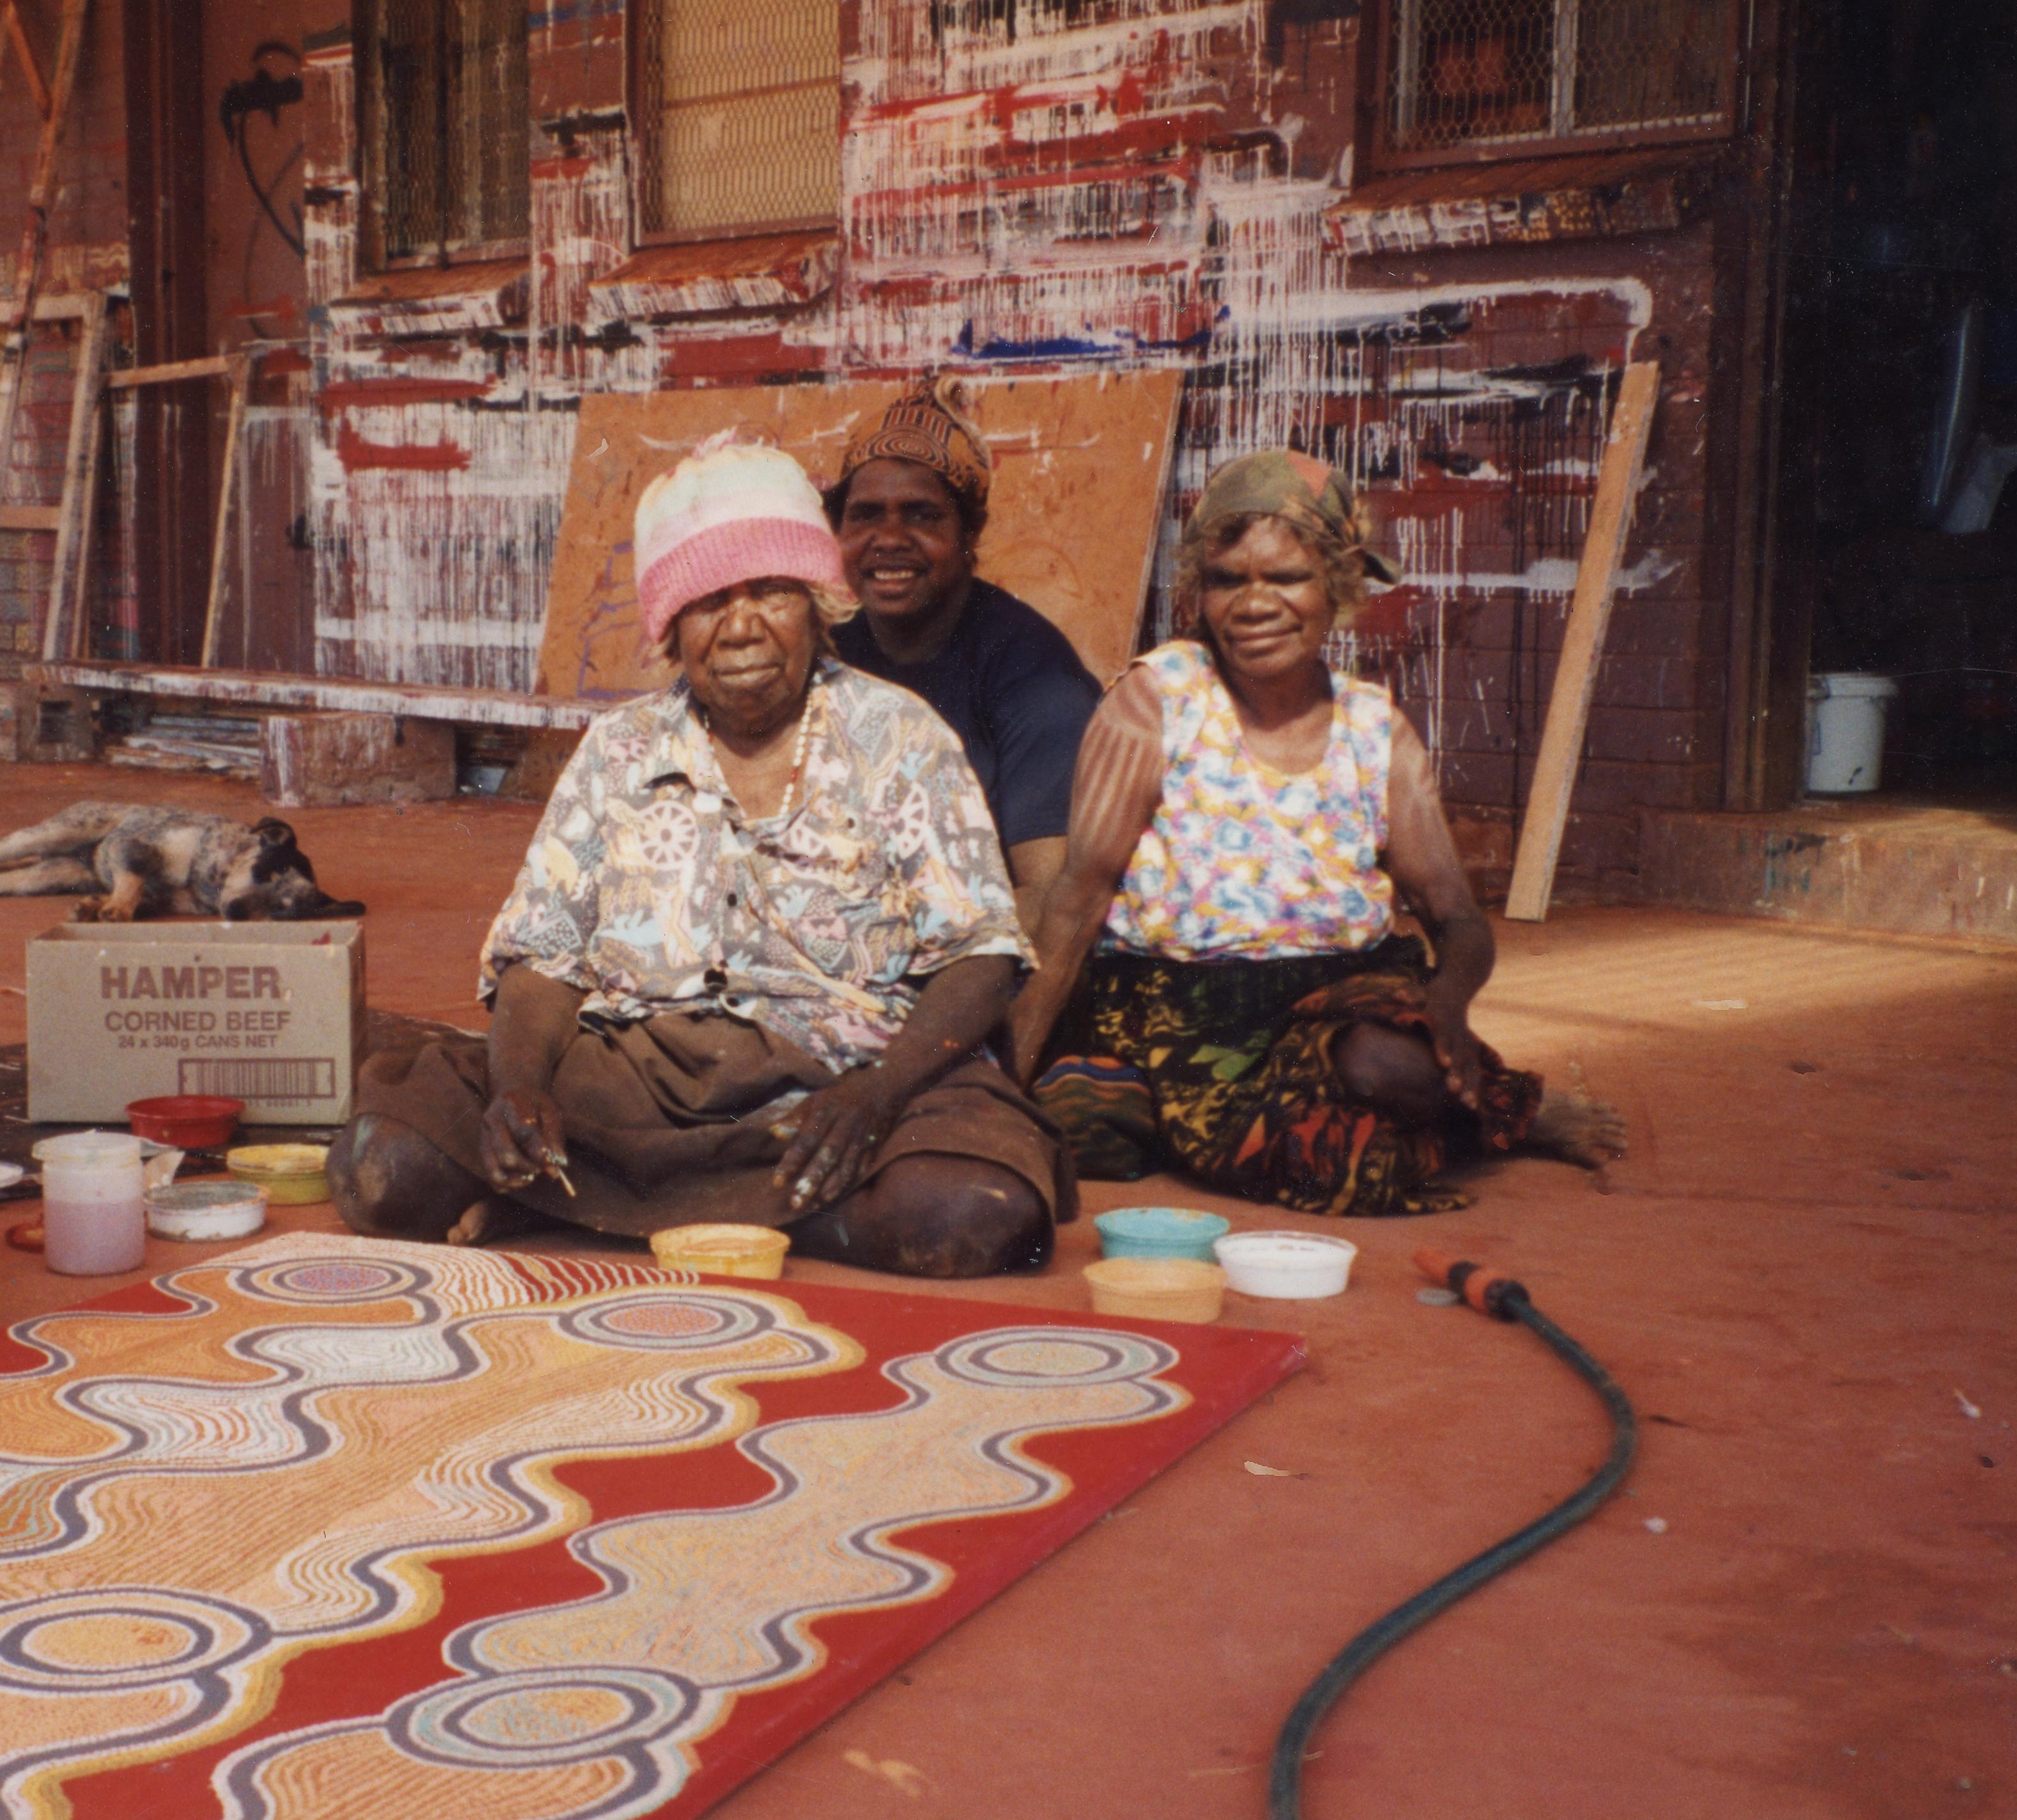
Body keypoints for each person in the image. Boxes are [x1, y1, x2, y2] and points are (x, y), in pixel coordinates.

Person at [332, 434, 1072, 1279]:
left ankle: (611, 1212)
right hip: (637, 1074)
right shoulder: (621, 748)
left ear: (816, 606)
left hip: (850, 1072)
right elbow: (543, 952)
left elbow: (978, 955)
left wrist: (875, 1097)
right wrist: (518, 1087)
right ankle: (794, 1216)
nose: (744, 624)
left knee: (970, 1212)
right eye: (711, 599)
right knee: (385, 1162)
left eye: (771, 591)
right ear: (671, 631)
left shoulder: (898, 735)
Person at [1007, 449, 1622, 1214]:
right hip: (1175, 1008)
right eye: (1229, 579)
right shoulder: (1157, 702)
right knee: (1084, 1129)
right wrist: (1004, 1085)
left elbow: (1456, 919)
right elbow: (1076, 899)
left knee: (1388, 1065)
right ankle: (1464, 1122)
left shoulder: (1374, 730)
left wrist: (1448, 1007)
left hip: (1337, 1001)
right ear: (1202, 593)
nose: (1254, 603)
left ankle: (1491, 1106)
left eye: (1286, 578)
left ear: (1337, 587)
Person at [826, 375, 1101, 935]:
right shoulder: (829, 651)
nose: (890, 537)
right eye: (866, 514)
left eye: (923, 515)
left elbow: (1050, 898)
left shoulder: (1034, 674)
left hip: (968, 955)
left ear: (970, 532)